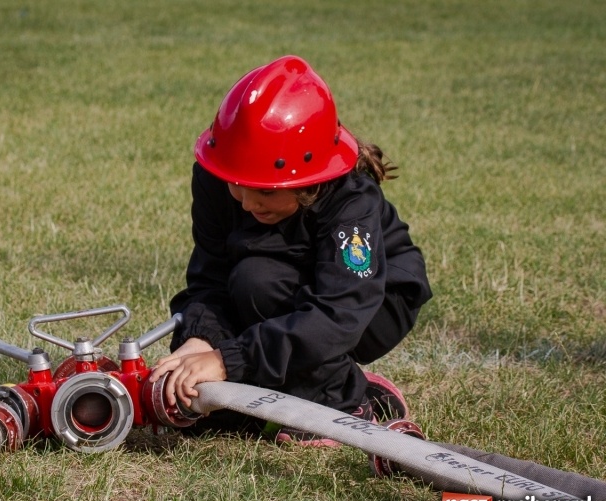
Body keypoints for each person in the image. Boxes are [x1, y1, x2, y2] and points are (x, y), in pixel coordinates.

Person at [148, 55, 432, 446]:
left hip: (373, 302)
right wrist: (201, 338)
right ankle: (277, 390)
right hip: (288, 285)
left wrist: (227, 360)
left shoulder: (351, 201)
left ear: (309, 184)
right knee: (249, 281)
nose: (246, 203)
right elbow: (210, 276)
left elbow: (340, 313)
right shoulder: (217, 175)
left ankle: (343, 398)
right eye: (236, 184)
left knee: (259, 281)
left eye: (265, 190)